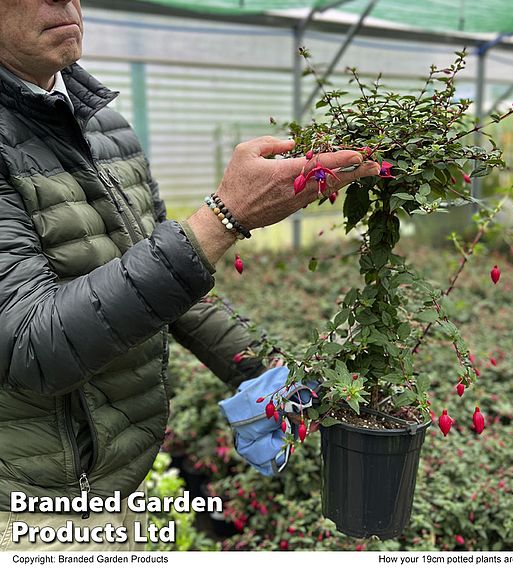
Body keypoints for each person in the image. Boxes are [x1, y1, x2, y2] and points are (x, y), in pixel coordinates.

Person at [0, 0, 380, 551]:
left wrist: (262, 368)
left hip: (116, 479)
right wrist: (224, 218)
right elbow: (30, 346)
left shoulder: (101, 122)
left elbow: (150, 266)